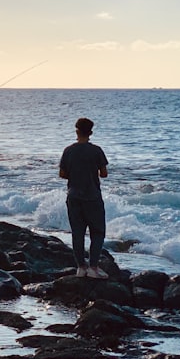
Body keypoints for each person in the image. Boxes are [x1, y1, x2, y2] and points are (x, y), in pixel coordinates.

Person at [59, 117, 109, 279]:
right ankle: (93, 267)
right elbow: (104, 174)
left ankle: (81, 267)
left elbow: (62, 174)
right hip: (92, 197)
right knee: (98, 232)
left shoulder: (68, 150)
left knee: (77, 233)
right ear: (91, 133)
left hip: (73, 196)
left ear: (76, 131)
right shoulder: (96, 151)